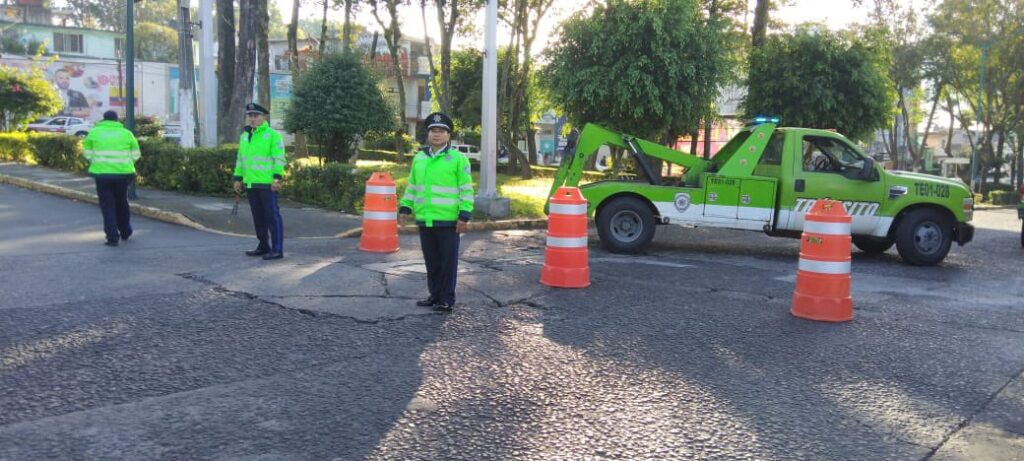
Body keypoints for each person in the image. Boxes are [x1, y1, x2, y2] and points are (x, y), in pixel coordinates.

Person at [399, 112, 474, 312]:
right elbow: (412, 186)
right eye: (433, 130)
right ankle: (434, 295)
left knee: (447, 263)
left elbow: (466, 189)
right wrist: (405, 207)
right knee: (432, 261)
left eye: (441, 131)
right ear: (428, 134)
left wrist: (464, 215)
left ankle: (446, 299)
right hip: (425, 219)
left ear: (448, 135)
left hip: (449, 221)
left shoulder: (458, 159)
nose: (437, 134)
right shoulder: (419, 158)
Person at [233, 102, 287, 260]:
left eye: (256, 115)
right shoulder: (245, 136)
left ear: (264, 117)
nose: (252, 118)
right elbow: (240, 159)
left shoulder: (273, 135)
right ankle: (263, 245)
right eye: (250, 115)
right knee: (258, 218)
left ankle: (277, 249)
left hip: (267, 184)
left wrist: (277, 178)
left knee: (272, 217)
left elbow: (279, 158)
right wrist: (238, 178)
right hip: (250, 183)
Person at [82, 110, 141, 246]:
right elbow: (136, 154)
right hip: (123, 174)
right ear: (116, 120)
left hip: (102, 175)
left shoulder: (94, 132)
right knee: (122, 202)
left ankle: (112, 237)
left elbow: (87, 153)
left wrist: (96, 161)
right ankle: (125, 231)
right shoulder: (126, 133)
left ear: (104, 119)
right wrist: (126, 163)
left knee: (107, 206)